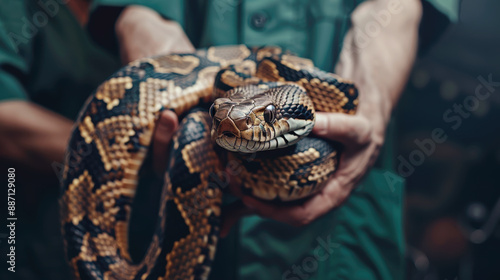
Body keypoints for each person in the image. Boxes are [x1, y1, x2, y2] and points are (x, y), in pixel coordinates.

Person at [0, 0, 458, 279]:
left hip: (341, 244)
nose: (241, 128)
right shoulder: (231, 103)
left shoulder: (287, 90)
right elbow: (144, 14)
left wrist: (369, 112)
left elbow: (395, 9)